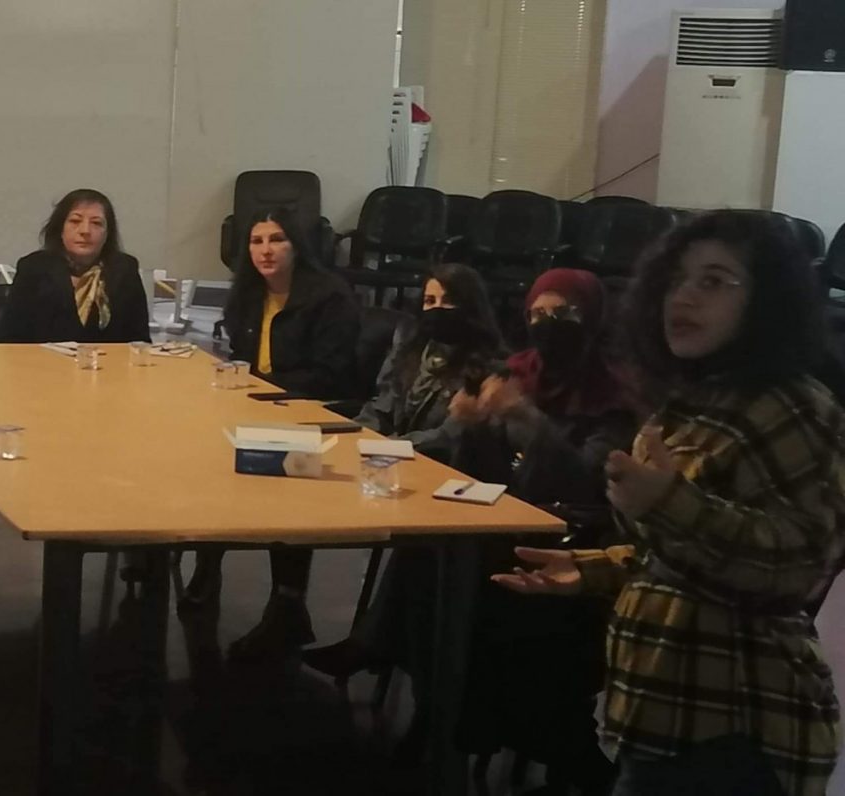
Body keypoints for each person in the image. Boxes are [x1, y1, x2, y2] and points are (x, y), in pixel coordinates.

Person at [494, 211, 845, 796]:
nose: (683, 297)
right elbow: (683, 558)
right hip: (660, 709)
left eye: (714, 281)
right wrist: (592, 569)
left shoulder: (795, 407)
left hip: (736, 725)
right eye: (676, 280)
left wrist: (669, 502)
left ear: (767, 301)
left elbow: (800, 568)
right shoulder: (691, 403)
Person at [303, 269, 637, 778]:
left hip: (573, 535)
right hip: (502, 514)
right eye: (538, 314)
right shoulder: (518, 371)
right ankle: (436, 712)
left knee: (455, 574)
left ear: (592, 317)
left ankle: (435, 705)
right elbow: (483, 461)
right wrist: (470, 425)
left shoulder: (613, 392)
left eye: (564, 313)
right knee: (432, 552)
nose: (549, 325)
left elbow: (586, 480)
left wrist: (526, 421)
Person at [182, 207, 360, 662]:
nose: (265, 250)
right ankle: (207, 560)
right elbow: (240, 356)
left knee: (280, 482)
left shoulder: (330, 296)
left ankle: (287, 602)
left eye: (277, 239)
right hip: (256, 406)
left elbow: (331, 374)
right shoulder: (248, 293)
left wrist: (259, 389)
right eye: (256, 241)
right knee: (202, 451)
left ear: (297, 246)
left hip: (310, 414)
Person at [353, 261, 506, 463]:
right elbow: (383, 408)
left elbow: (449, 437)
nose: (437, 309)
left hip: (441, 466)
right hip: (394, 459)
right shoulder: (409, 348)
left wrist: (389, 446)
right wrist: (354, 435)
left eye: (448, 301)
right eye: (430, 301)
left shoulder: (488, 365)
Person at [4, 188, 150, 344]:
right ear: (60, 229)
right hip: (42, 359)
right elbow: (12, 340)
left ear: (107, 233)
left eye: (96, 223)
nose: (85, 231)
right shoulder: (33, 268)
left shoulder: (125, 269)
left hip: (108, 360)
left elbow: (139, 341)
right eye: (75, 221)